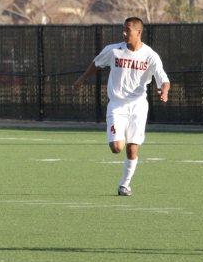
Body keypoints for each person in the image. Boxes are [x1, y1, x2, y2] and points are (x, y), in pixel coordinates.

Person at [72, 16, 170, 196]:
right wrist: (82, 78)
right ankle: (120, 138)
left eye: (128, 30)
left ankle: (124, 185)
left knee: (132, 149)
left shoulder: (150, 55)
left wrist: (164, 91)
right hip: (117, 105)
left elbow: (164, 80)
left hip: (138, 107)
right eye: (123, 29)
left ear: (138, 32)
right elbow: (96, 63)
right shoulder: (113, 50)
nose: (124, 33)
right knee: (117, 147)